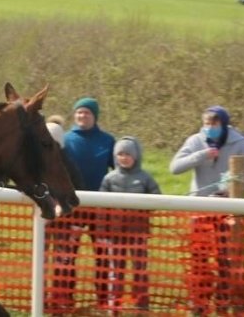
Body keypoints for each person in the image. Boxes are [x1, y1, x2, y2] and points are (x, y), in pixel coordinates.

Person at [170, 106, 244, 313]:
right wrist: (201, 155)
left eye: (214, 124)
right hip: (199, 210)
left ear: (224, 124)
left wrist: (232, 190)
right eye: (207, 124)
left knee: (226, 260)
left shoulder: (239, 143)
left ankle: (224, 304)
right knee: (198, 260)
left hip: (227, 210)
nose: (210, 128)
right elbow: (175, 168)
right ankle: (198, 304)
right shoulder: (195, 140)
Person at [48, 97, 117, 310]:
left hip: (100, 207)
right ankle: (64, 302)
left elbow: (118, 170)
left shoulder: (107, 141)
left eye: (86, 113)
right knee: (66, 257)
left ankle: (104, 302)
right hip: (72, 206)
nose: (82, 116)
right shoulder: (66, 140)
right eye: (79, 112)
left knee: (104, 257)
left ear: (94, 116)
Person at [99, 137, 161, 310]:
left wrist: (146, 206)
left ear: (136, 156)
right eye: (120, 154)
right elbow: (102, 208)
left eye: (127, 154)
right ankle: (114, 306)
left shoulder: (145, 178)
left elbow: (158, 199)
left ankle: (142, 306)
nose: (124, 158)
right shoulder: (109, 178)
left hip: (138, 232)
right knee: (116, 271)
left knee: (140, 270)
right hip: (115, 233)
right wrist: (102, 231)